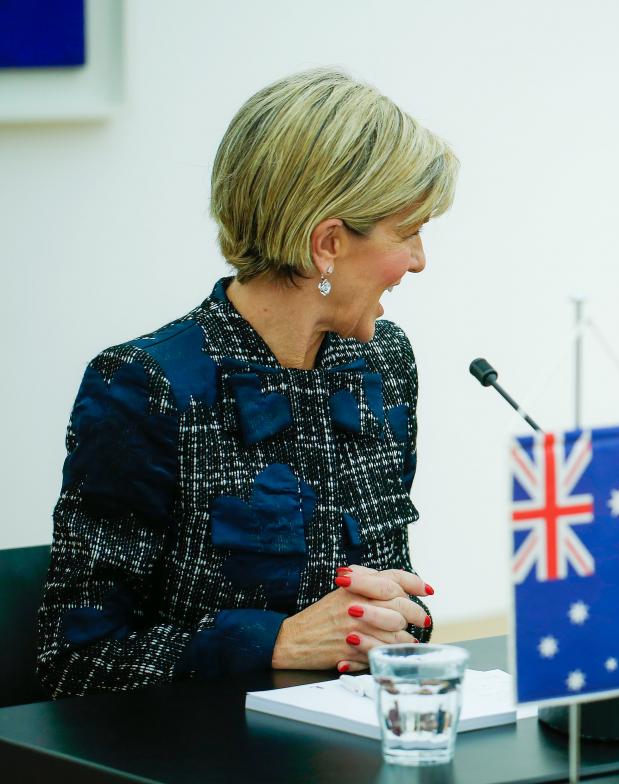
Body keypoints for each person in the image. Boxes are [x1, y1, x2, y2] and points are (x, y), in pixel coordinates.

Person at [37, 68, 459, 697]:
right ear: (328, 245)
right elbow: (73, 662)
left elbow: (383, 591)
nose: (420, 261)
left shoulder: (383, 365)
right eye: (410, 232)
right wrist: (277, 643)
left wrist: (398, 617)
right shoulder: (145, 385)